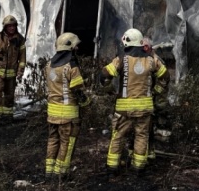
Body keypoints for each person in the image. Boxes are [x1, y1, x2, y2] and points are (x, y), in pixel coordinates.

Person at [100, 28, 169, 175]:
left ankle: (112, 167)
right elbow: (165, 77)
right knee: (142, 136)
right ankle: (138, 168)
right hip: (145, 108)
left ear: (126, 41)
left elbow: (104, 75)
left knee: (117, 136)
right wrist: (155, 91)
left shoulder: (121, 59)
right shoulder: (151, 60)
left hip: (124, 109)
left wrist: (109, 89)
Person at [44, 32, 90, 177]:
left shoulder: (49, 65)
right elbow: (77, 89)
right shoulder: (71, 66)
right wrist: (86, 102)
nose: (77, 49)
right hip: (67, 115)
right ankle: (61, 173)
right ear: (69, 47)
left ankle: (49, 171)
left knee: (52, 140)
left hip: (52, 113)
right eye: (75, 46)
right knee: (67, 143)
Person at [0, 15, 27, 124]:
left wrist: (20, 71)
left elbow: (22, 57)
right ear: (5, 27)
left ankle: (8, 117)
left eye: (13, 26)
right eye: (9, 26)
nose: (12, 28)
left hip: (11, 75)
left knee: (9, 96)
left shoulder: (20, 39)